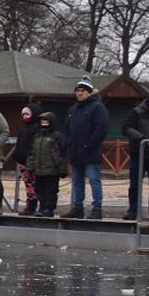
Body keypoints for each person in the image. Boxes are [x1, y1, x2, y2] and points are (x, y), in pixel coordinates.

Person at [61, 78, 110, 219]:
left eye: (82, 91)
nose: (79, 93)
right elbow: (68, 129)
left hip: (91, 151)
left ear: (89, 92)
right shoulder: (72, 109)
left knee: (94, 179)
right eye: (77, 91)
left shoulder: (97, 107)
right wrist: (69, 145)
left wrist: (89, 145)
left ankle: (97, 208)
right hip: (75, 151)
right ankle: (78, 207)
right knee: (77, 181)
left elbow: (101, 129)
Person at [120, 94, 149, 220]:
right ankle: (133, 211)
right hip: (138, 153)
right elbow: (126, 128)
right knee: (135, 184)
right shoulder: (136, 112)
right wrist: (141, 138)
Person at [23, 111, 66, 217]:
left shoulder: (57, 136)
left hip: (52, 170)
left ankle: (49, 209)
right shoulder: (37, 137)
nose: (44, 123)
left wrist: (63, 169)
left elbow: (63, 153)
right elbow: (32, 152)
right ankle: (42, 208)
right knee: (39, 190)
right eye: (42, 121)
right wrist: (30, 166)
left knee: (51, 191)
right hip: (38, 169)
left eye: (46, 121)